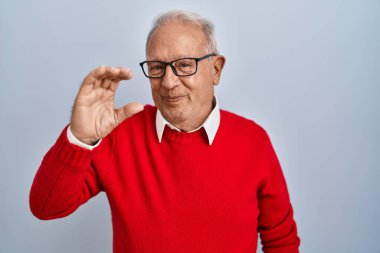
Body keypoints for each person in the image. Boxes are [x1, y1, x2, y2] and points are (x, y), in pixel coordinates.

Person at [30, 10, 301, 253]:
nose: (169, 83)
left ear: (215, 70)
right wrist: (80, 139)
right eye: (157, 68)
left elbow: (281, 242)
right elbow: (46, 207)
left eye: (184, 65)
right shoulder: (120, 135)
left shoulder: (253, 141)